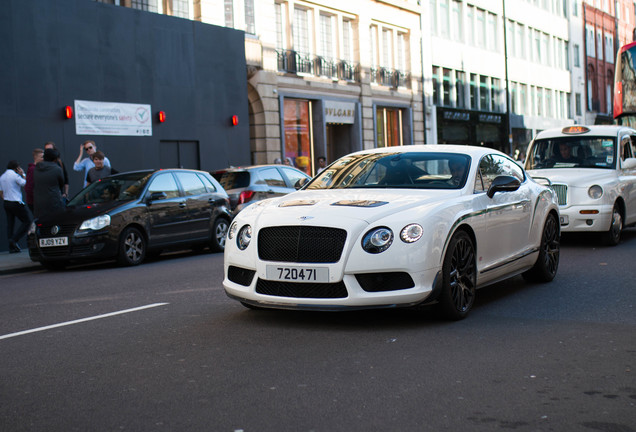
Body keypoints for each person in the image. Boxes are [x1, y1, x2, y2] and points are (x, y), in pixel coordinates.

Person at [0, 160, 31, 253]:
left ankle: (11, 247)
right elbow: (25, 184)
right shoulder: (15, 175)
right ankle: (14, 240)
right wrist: (23, 174)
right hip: (16, 202)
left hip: (7, 202)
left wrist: (5, 199)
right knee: (27, 221)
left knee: (10, 224)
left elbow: (1, 192)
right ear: (17, 168)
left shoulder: (2, 177)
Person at [33, 148, 65, 219]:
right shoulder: (57, 169)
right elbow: (61, 184)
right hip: (53, 204)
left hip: (39, 205)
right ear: (55, 159)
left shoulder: (36, 168)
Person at [25, 148, 44, 214]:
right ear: (35, 157)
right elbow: (29, 188)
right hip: (34, 202)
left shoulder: (37, 169)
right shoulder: (33, 169)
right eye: (41, 157)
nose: (43, 159)